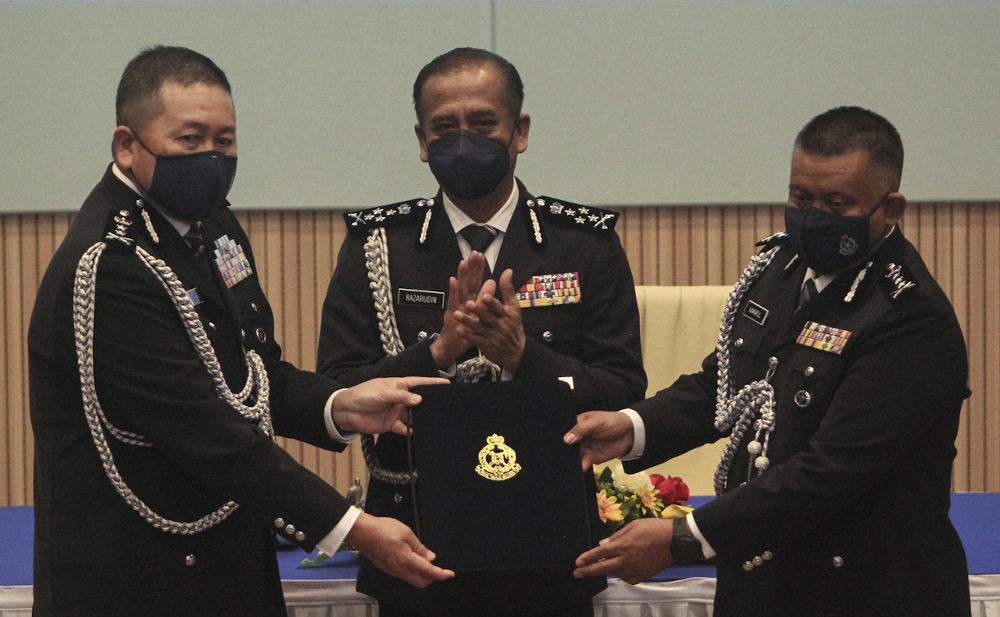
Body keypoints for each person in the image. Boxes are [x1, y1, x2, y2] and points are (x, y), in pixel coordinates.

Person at [28, 45, 454, 617]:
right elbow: (207, 432)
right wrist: (352, 527)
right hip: (137, 583)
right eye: (189, 139)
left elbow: (252, 374)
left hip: (228, 569)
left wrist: (339, 405)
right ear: (127, 146)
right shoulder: (112, 264)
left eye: (224, 140)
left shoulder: (213, 227)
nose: (211, 157)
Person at [564, 106, 972, 617]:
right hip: (761, 579)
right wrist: (632, 427)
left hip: (865, 591)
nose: (812, 216)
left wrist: (683, 538)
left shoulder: (909, 318)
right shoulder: (781, 268)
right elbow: (725, 382)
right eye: (801, 198)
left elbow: (829, 472)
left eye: (836, 202)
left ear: (890, 208)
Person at [316, 47, 646, 616]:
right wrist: (439, 351)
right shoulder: (377, 247)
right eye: (444, 127)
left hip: (549, 542)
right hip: (415, 540)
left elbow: (623, 389)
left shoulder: (583, 245)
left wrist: (524, 359)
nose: (462, 140)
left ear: (519, 131)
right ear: (421, 141)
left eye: (482, 123)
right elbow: (337, 390)